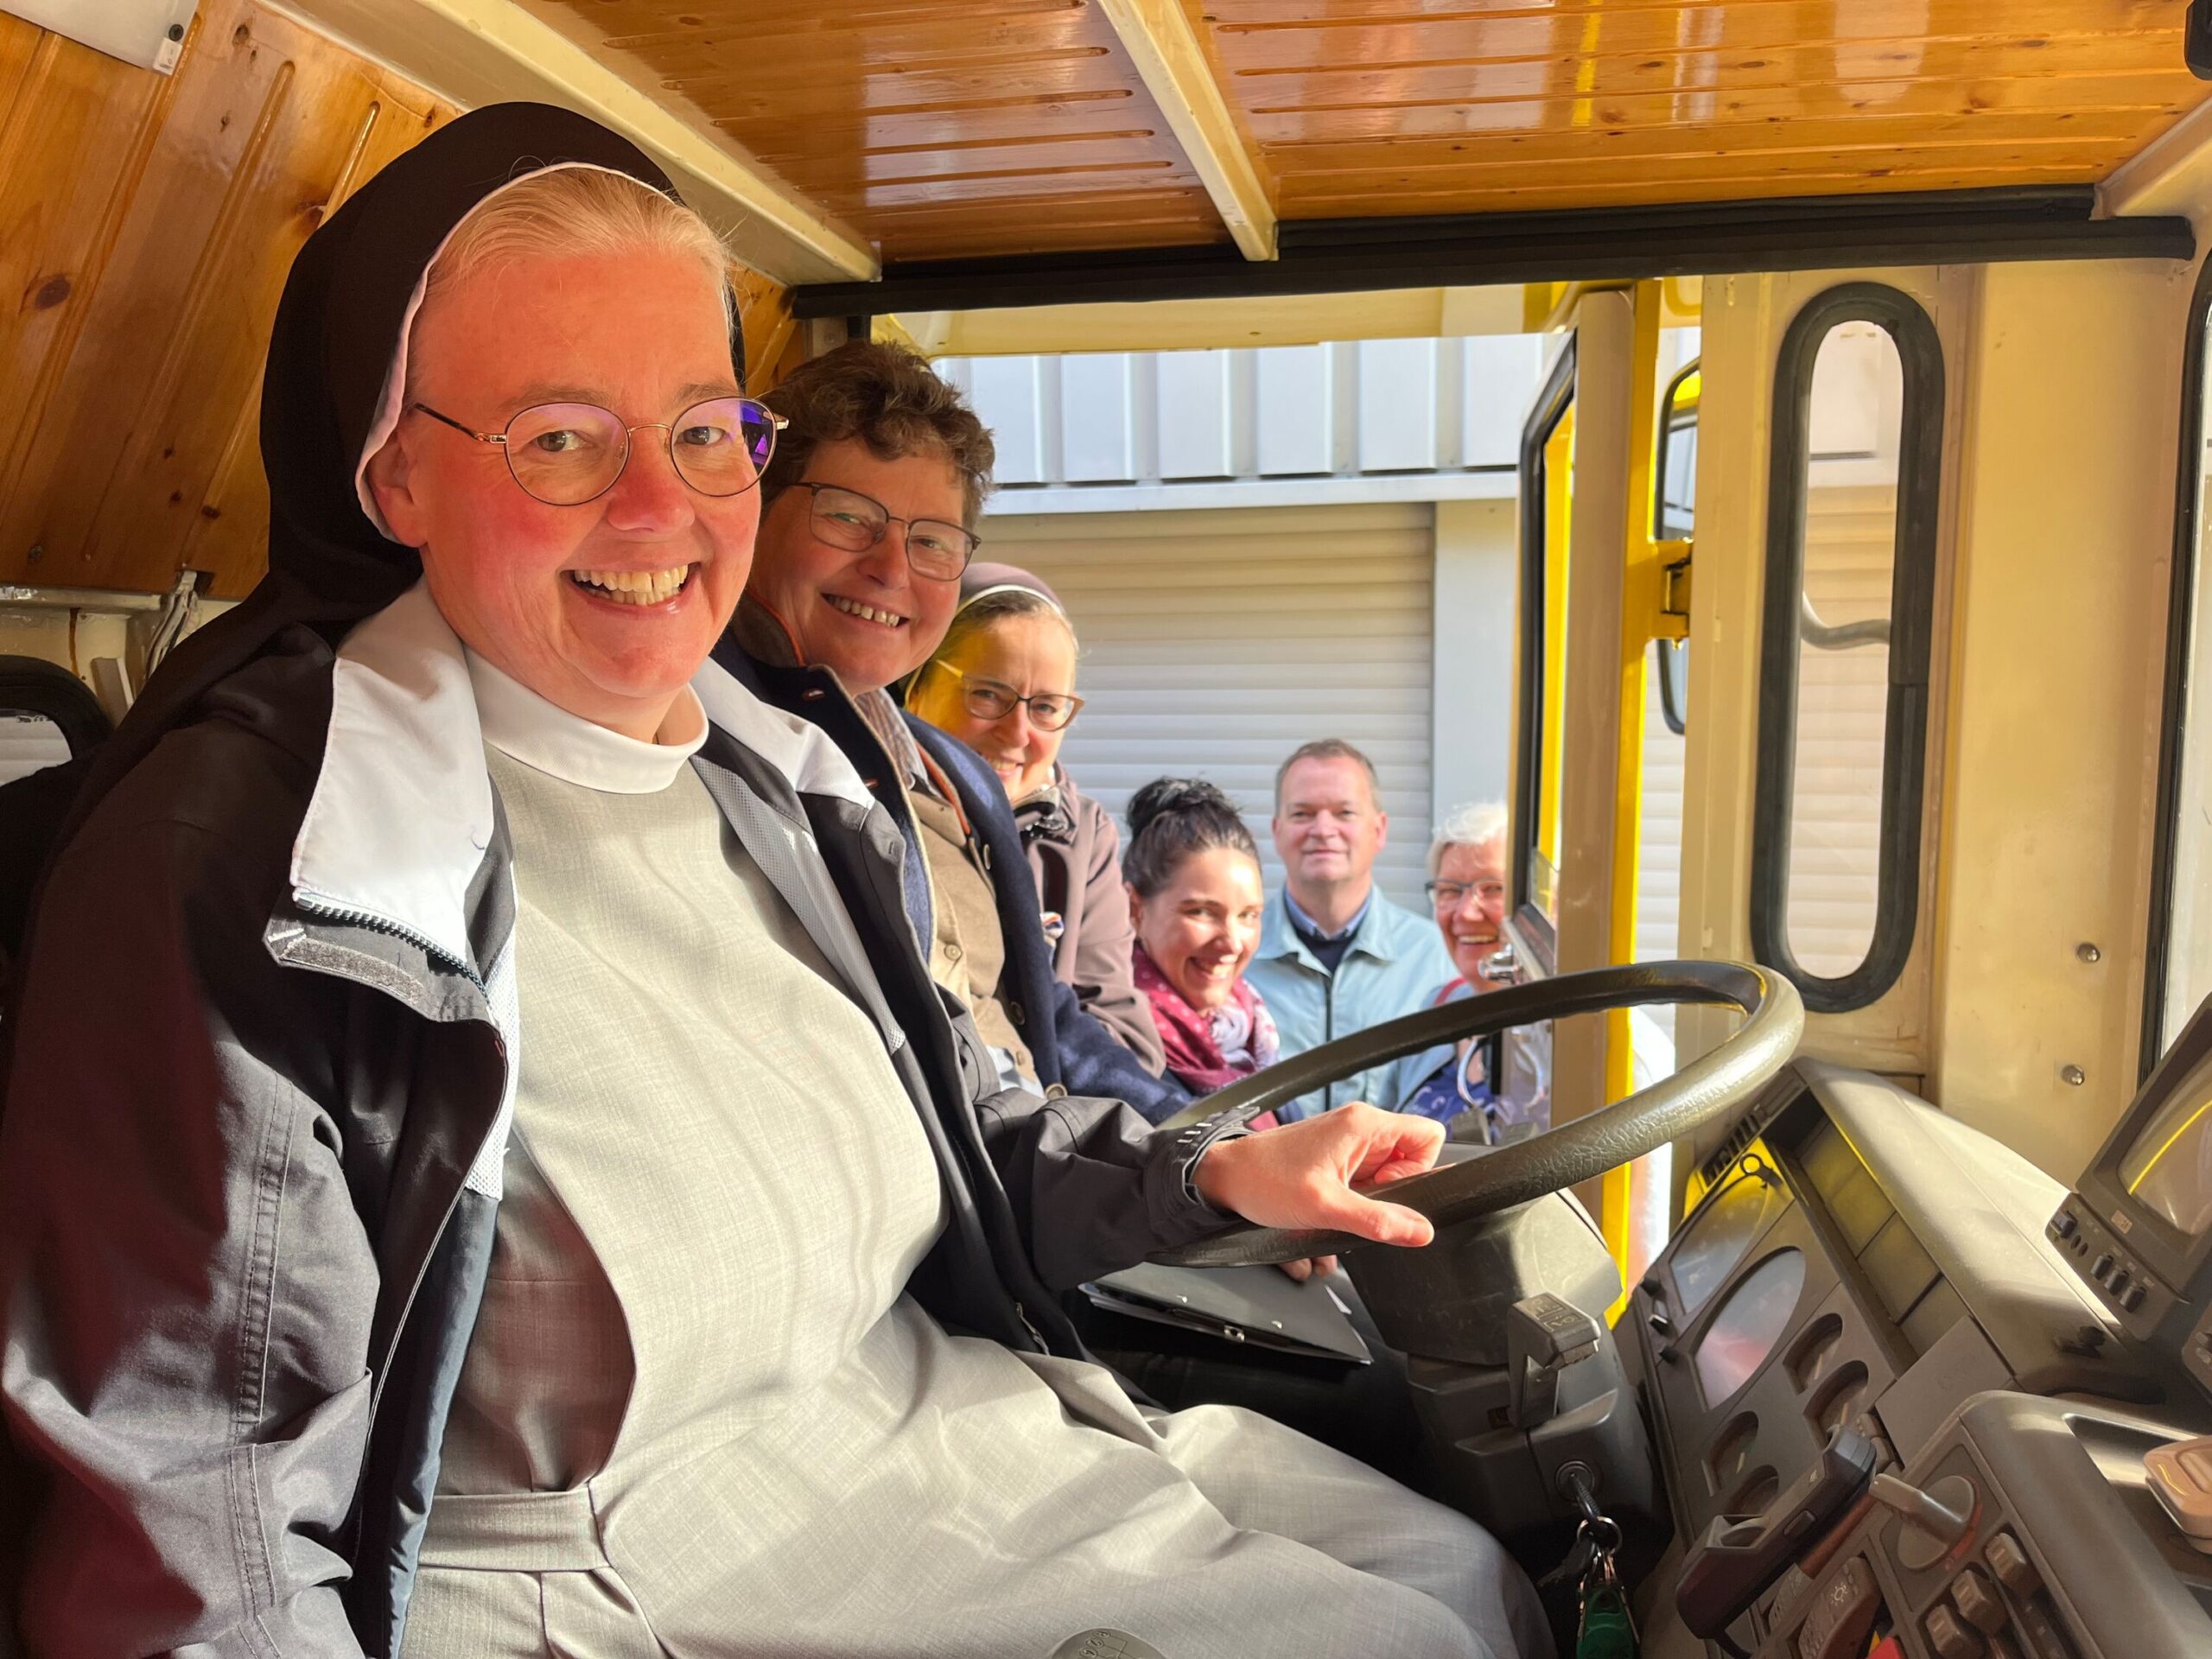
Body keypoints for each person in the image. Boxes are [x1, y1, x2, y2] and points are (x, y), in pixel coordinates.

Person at [0, 107, 1551, 1659]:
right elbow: (198, 1531)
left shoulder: (770, 775)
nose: (662, 512)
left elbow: (967, 1124)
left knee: (1470, 1578)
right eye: (559, 438)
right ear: (390, 475)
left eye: (699, 430)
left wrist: (1208, 1175)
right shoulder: (252, 872)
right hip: (617, 1580)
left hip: (947, 1431)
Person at [725, 343, 1186, 1122]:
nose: (891, 568)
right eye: (847, 516)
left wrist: (1206, 1131)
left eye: (933, 539)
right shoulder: (710, 758)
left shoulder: (951, 774)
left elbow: (1051, 1023)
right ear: (753, 514)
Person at [906, 563, 1166, 1076]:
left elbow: (1121, 1034)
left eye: (1046, 707)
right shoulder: (870, 810)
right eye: (987, 694)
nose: (1018, 731)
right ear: (915, 684)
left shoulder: (1083, 835)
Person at [1243, 737, 1458, 1121]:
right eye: (1302, 814)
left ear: (1379, 829)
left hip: (1399, 1180)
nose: (1322, 829)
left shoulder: (1436, 956)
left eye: (1344, 813)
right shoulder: (1235, 956)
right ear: (1277, 831)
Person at [1382, 802, 1541, 1137]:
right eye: (1450, 891)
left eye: (1493, 888)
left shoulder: (1596, 1038)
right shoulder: (1438, 1009)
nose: (1466, 913)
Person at [1122, 776, 1279, 1096]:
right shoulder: (1115, 1049)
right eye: (1202, 912)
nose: (1233, 944)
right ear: (1135, 910)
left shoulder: (1251, 1028)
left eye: (1248, 915)